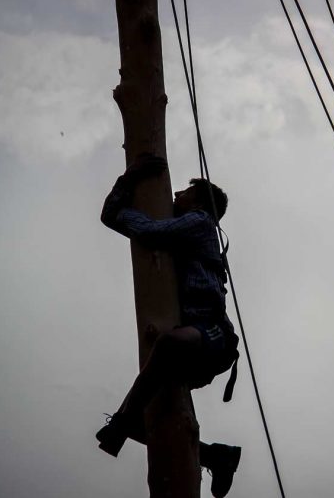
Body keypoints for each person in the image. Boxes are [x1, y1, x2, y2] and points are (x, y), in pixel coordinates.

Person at [95, 153, 241, 498]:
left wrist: (132, 181)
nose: (175, 195)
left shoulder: (200, 222)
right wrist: (128, 180)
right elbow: (111, 217)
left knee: (169, 345)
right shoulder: (182, 227)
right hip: (191, 344)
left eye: (184, 193)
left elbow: (147, 230)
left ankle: (121, 420)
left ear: (200, 202)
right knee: (155, 424)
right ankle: (217, 456)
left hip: (212, 334)